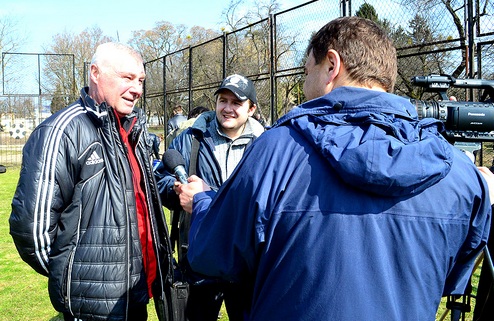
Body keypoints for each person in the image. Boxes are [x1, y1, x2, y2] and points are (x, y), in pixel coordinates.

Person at [176, 17, 492, 320]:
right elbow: (452, 276)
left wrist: (202, 201)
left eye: (305, 71)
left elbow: (212, 254)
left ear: (331, 65)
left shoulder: (276, 151)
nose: (303, 83)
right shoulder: (459, 172)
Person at [9, 42, 175, 321]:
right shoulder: (63, 130)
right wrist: (76, 278)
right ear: (95, 73)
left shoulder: (133, 131)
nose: (137, 89)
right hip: (93, 308)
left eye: (141, 80)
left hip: (136, 295)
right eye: (127, 77)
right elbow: (31, 230)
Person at [155, 74, 265, 321]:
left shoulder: (265, 145)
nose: (227, 108)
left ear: (251, 108)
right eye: (222, 100)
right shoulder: (191, 138)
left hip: (245, 264)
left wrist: (207, 198)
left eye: (236, 102)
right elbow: (160, 179)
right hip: (199, 262)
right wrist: (175, 190)